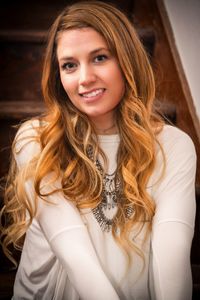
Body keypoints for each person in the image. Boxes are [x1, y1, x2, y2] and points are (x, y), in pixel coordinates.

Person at [0, 1, 197, 299]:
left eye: (100, 57)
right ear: (58, 76)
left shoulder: (174, 145)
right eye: (69, 65)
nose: (84, 78)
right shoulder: (37, 141)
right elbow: (74, 253)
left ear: (127, 61)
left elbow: (173, 252)